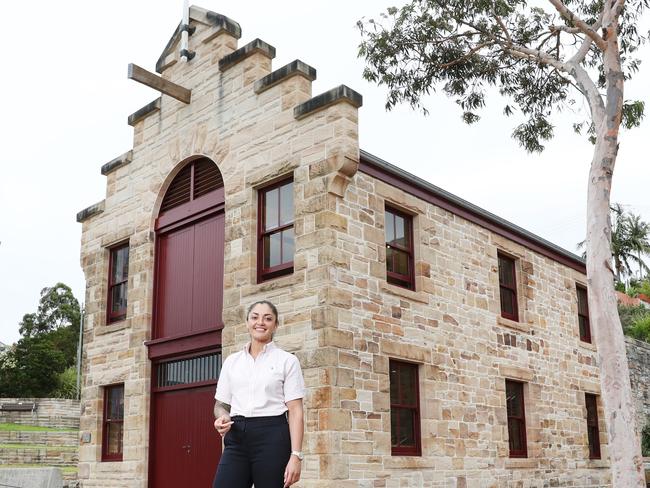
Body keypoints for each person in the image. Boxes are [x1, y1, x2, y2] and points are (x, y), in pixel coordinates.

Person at [213, 300, 305, 488]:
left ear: (275, 325)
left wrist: (296, 455)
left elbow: (296, 411)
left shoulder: (287, 361)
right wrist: (222, 417)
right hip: (237, 436)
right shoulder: (232, 362)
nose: (260, 322)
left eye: (267, 318)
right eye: (255, 317)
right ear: (247, 323)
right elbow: (221, 405)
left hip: (272, 436)